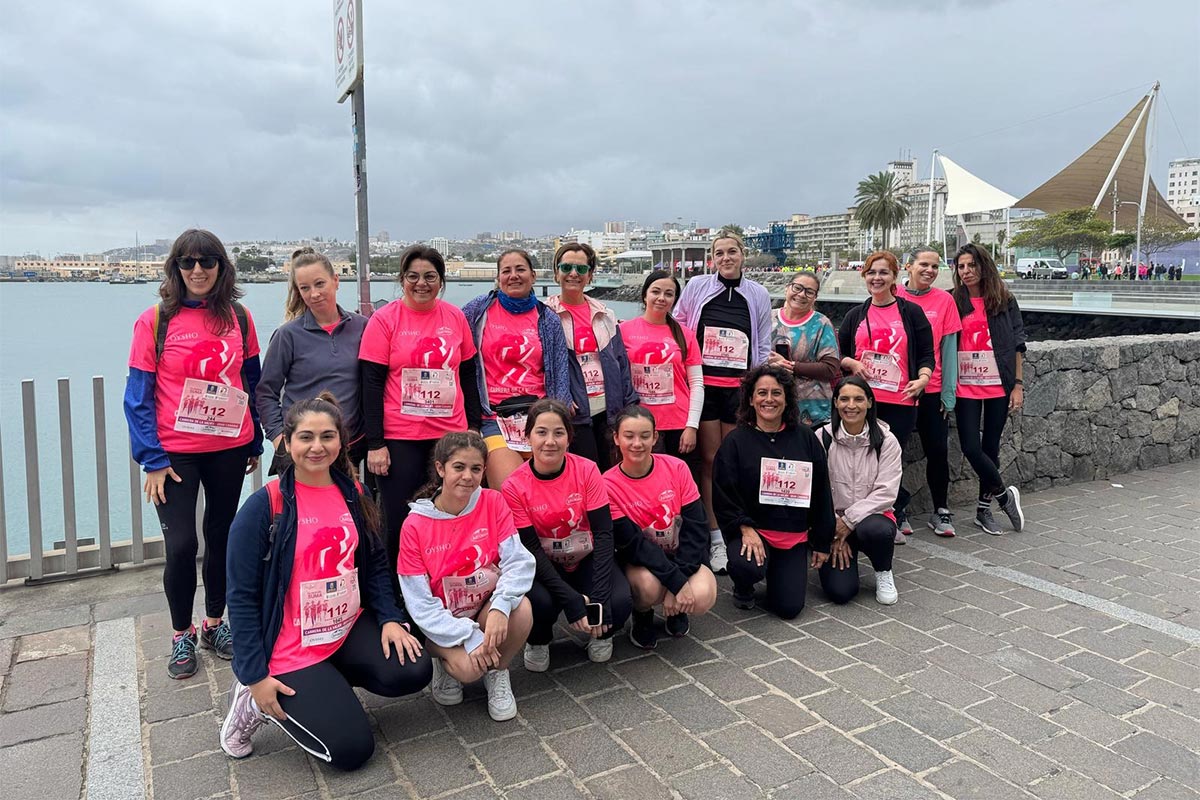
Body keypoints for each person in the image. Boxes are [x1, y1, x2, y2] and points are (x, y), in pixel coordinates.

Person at [221, 394, 430, 770]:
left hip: (343, 629)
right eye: (306, 437)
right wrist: (254, 676)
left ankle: (326, 687)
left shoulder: (356, 495)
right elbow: (241, 597)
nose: (317, 447)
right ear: (287, 442)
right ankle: (252, 703)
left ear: (342, 441)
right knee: (351, 751)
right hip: (290, 645)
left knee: (413, 669)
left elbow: (376, 565)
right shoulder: (265, 508)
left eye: (327, 437)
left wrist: (390, 619)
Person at [124, 228, 263, 679]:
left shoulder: (239, 318)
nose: (198, 270)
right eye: (188, 262)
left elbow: (253, 384)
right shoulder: (155, 321)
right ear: (176, 268)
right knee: (181, 545)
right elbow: (138, 396)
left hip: (229, 447)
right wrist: (152, 458)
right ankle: (181, 633)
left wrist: (254, 440)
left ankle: (215, 623)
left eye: (207, 261)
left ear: (222, 267)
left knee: (221, 537)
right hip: (174, 455)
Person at [359, 245, 481, 578]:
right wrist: (375, 443)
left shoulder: (455, 317)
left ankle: (444, 590)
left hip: (449, 436)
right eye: (413, 276)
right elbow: (370, 383)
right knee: (401, 521)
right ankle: (398, 599)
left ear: (441, 281)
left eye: (429, 276)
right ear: (402, 280)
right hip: (401, 438)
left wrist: (473, 426)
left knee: (449, 517)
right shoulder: (385, 320)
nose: (421, 283)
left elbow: (468, 373)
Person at [397, 431, 535, 721]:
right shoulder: (414, 525)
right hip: (442, 620)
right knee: (469, 669)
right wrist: (469, 636)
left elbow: (519, 561)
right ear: (440, 468)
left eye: (476, 469)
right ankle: (445, 659)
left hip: (484, 606)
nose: (467, 477)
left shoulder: (493, 502)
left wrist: (500, 605)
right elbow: (419, 602)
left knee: (521, 610)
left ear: (484, 470)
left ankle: (499, 672)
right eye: (458, 467)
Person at [500, 399, 632, 669]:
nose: (550, 441)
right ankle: (538, 639)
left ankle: (602, 632)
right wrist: (570, 599)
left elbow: (604, 533)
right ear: (528, 436)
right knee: (539, 602)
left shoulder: (587, 470)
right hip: (543, 564)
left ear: (569, 438)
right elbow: (530, 549)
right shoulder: (514, 486)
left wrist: (600, 594)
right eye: (541, 432)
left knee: (618, 600)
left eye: (558, 433)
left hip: (586, 556)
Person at [673, 230, 773, 574]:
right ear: (712, 258)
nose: (726, 258)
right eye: (719, 253)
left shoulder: (757, 294)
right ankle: (715, 537)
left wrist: (758, 387)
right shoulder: (698, 286)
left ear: (743, 255)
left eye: (732, 252)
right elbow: (680, 328)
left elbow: (762, 342)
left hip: (739, 388)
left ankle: (737, 530)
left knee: (736, 463)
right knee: (709, 460)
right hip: (704, 387)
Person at [712, 365, 835, 619]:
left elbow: (822, 492)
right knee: (747, 565)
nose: (769, 399)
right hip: (754, 532)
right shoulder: (735, 442)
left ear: (787, 398)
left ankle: (780, 571)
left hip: (793, 535)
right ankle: (743, 585)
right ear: (751, 398)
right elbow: (724, 494)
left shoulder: (806, 439)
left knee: (789, 608)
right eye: (762, 393)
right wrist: (745, 528)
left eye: (776, 393)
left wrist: (822, 541)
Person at [837, 251, 935, 543]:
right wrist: (851, 364)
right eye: (871, 273)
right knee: (861, 459)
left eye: (883, 272)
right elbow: (839, 354)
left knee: (889, 460)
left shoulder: (911, 312)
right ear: (864, 277)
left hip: (900, 400)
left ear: (894, 277)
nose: (876, 278)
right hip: (863, 402)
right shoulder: (856, 315)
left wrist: (923, 379)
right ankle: (863, 516)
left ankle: (890, 513)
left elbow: (927, 354)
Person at [605, 406, 716, 650]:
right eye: (629, 436)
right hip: (642, 562)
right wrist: (676, 582)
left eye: (645, 436)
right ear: (616, 438)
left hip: (682, 555)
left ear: (655, 437)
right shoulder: (607, 484)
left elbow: (696, 527)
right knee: (647, 587)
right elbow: (634, 545)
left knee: (703, 594)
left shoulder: (677, 468)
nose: (637, 443)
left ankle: (676, 610)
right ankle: (642, 614)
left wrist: (681, 578)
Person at [462, 249, 572, 489]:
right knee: (511, 490)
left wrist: (561, 414)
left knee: (546, 491)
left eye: (520, 270)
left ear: (533, 276)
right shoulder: (478, 311)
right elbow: (450, 331)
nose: (514, 276)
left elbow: (560, 369)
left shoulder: (548, 318)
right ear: (498, 278)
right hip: (494, 417)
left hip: (538, 415)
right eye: (506, 271)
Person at [257, 247, 367, 477]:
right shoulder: (287, 335)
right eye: (305, 288)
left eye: (320, 284)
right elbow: (266, 392)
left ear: (336, 281)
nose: (314, 294)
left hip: (350, 448)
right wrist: (279, 439)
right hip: (302, 450)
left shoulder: (363, 327)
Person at [543, 242, 639, 472]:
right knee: (585, 475)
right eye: (566, 268)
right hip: (575, 414)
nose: (573, 274)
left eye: (581, 269)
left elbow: (621, 363)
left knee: (612, 473)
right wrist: (560, 396)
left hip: (609, 411)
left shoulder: (605, 314)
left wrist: (629, 403)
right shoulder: (545, 315)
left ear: (590, 275)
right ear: (556, 273)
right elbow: (543, 366)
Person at [952, 243, 1027, 536]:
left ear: (984, 266)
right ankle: (1004, 497)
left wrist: (1018, 386)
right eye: (961, 267)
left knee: (991, 446)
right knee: (971, 447)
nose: (967, 272)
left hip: (998, 385)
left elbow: (1018, 344)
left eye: (972, 265)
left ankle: (984, 510)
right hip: (965, 385)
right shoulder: (954, 300)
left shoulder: (1004, 300)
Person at [814, 377, 901, 606]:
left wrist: (849, 521)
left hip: (871, 519)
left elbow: (886, 492)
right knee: (840, 592)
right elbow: (814, 490)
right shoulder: (822, 438)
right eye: (844, 399)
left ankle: (883, 571)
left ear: (870, 403)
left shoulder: (886, 441)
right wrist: (833, 528)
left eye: (858, 399)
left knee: (877, 530)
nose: (850, 405)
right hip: (832, 521)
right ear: (835, 402)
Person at [895, 248, 962, 537]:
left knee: (937, 451)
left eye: (935, 266)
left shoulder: (944, 301)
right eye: (924, 264)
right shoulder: (893, 294)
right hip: (896, 392)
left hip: (932, 390)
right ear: (908, 266)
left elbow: (949, 350)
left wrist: (948, 394)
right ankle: (897, 509)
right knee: (891, 451)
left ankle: (941, 511)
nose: (930, 270)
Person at [619, 270, 703, 465]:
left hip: (678, 424)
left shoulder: (686, 335)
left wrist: (692, 426)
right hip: (639, 423)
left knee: (677, 482)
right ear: (645, 294)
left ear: (675, 299)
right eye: (655, 291)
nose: (661, 298)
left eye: (668, 294)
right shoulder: (623, 330)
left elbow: (697, 383)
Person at [766, 270, 840, 428]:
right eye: (797, 288)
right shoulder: (767, 317)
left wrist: (790, 366)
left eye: (809, 292)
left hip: (812, 413)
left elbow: (830, 368)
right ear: (787, 288)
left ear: (815, 297)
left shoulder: (821, 323)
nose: (801, 294)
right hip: (770, 406)